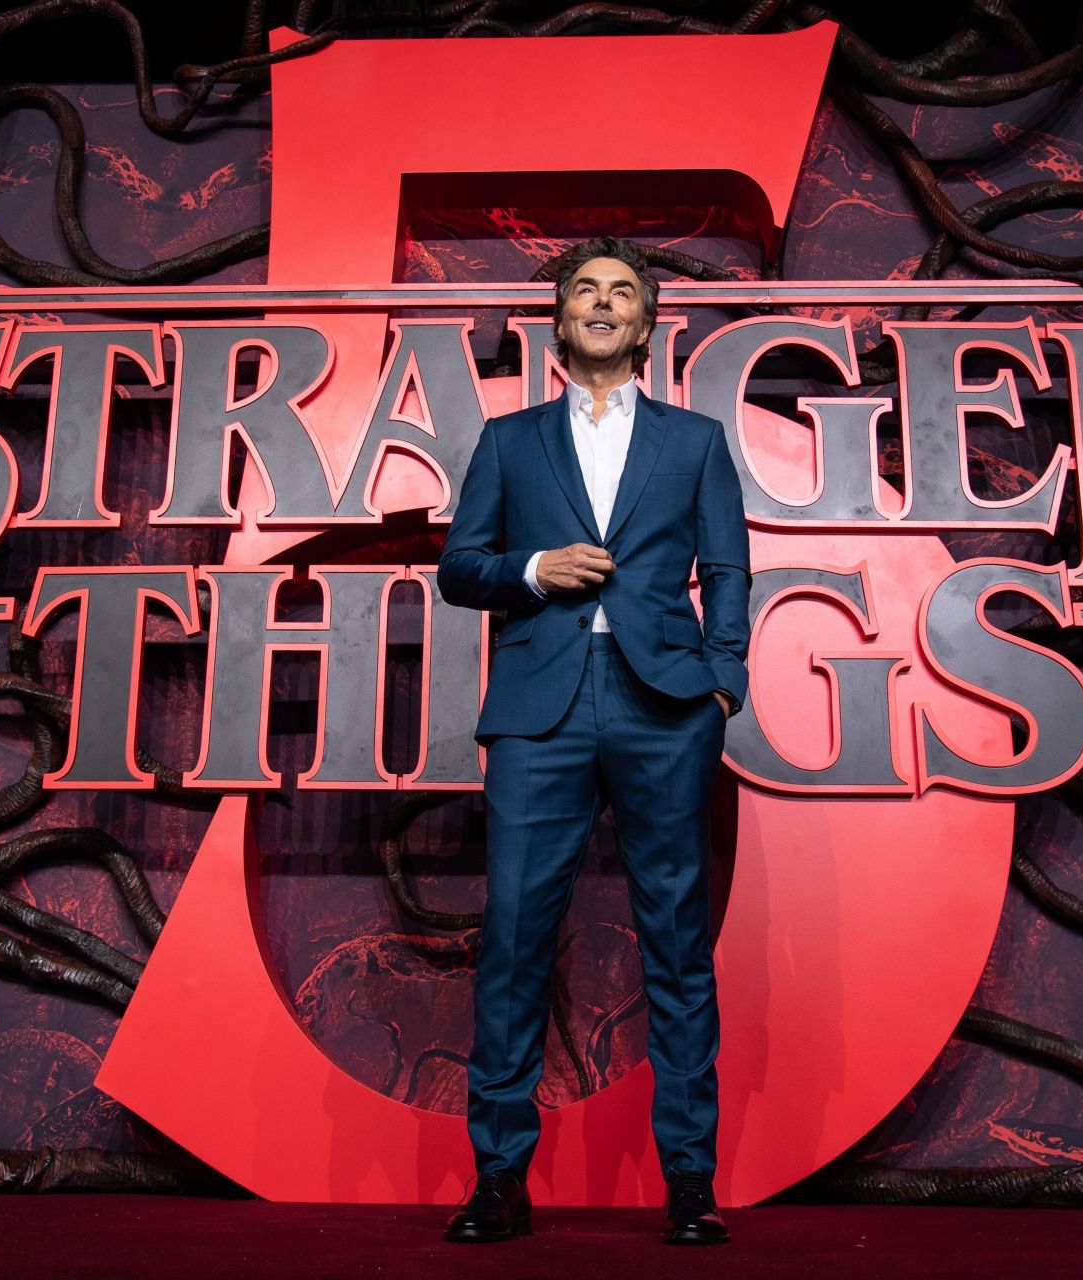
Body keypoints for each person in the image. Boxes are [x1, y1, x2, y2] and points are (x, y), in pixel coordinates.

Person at [435, 236, 750, 1245]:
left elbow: (728, 571)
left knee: (678, 942)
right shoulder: (510, 440)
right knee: (514, 939)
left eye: (622, 292)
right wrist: (532, 570)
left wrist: (723, 684)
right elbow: (460, 566)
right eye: (585, 290)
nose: (603, 302)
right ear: (561, 321)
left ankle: (691, 1179)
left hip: (667, 706)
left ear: (647, 323)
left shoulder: (695, 440)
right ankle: (498, 1176)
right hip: (542, 709)